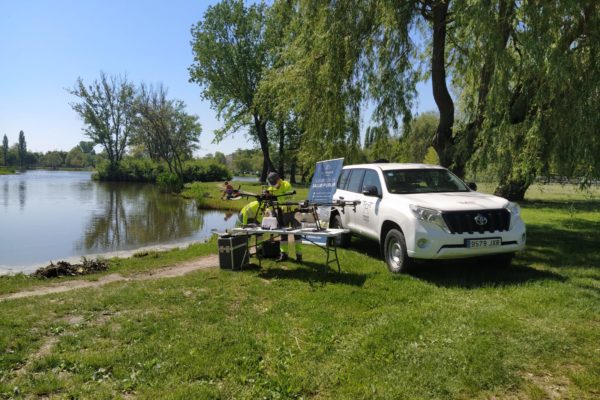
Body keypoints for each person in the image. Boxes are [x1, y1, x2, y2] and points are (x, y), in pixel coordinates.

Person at [266, 171, 302, 262]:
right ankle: (284, 254)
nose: (274, 185)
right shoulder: (270, 189)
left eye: (275, 183)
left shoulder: (286, 185)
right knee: (283, 235)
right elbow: (270, 203)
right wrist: (272, 212)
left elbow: (288, 200)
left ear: (279, 179)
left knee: (297, 234)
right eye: (272, 184)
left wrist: (278, 204)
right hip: (281, 214)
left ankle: (299, 256)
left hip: (293, 212)